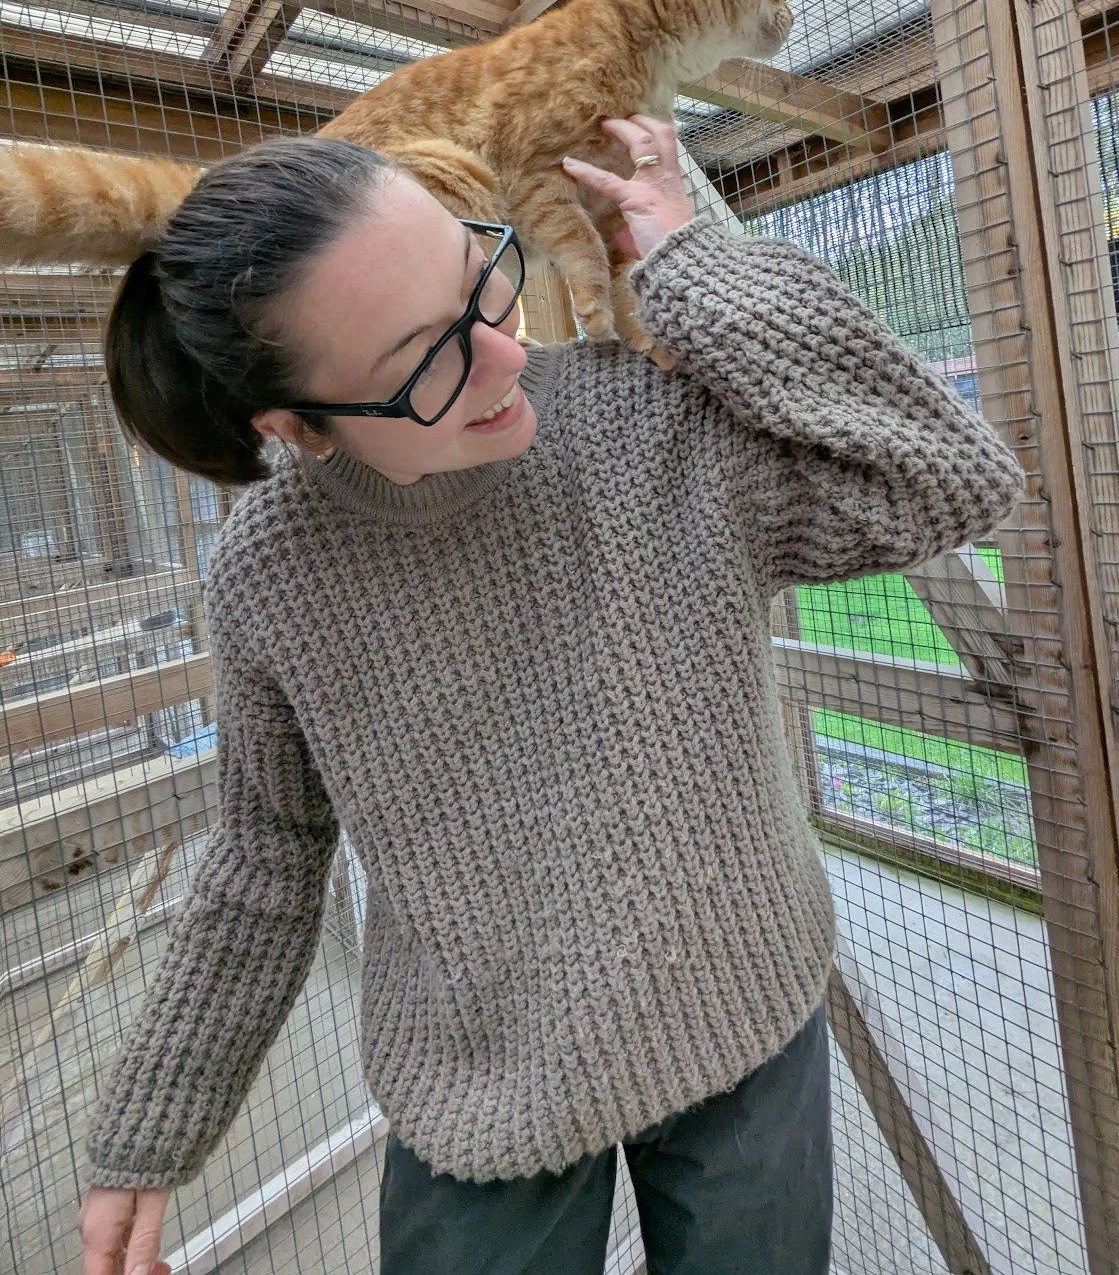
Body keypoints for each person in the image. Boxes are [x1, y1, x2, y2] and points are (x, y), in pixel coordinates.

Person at [78, 117, 1023, 1275]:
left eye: (482, 284)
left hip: (742, 1007)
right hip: (483, 1080)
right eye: (426, 359)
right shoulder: (273, 573)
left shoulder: (643, 420)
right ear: (294, 427)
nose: (505, 355)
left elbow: (947, 480)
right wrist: (149, 1135)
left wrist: (698, 267)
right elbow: (265, 861)